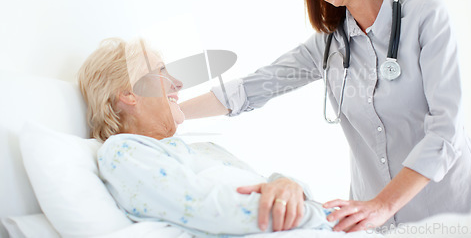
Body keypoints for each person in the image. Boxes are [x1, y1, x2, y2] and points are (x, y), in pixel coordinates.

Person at [179, 0, 471, 233]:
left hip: (448, 212)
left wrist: (382, 204)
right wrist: (172, 113)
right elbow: (250, 88)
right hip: (373, 221)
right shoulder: (328, 47)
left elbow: (446, 130)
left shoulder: (425, 15)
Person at [77, 38, 335, 237]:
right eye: (161, 71)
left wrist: (289, 185)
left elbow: (278, 188)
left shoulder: (208, 149)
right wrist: (325, 215)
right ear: (128, 93)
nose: (177, 83)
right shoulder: (123, 153)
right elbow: (213, 211)